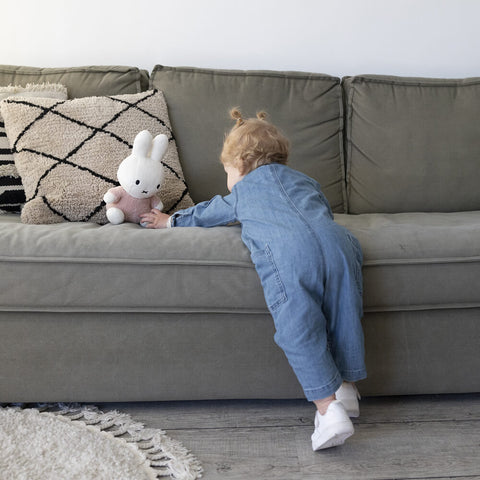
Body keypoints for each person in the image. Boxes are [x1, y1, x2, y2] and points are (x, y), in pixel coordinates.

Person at [140, 109, 367, 450]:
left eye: (228, 172)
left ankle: (328, 409)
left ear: (242, 166)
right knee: (344, 312)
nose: (228, 179)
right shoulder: (307, 181)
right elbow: (318, 210)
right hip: (339, 245)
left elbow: (211, 211)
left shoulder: (243, 192)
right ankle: (347, 388)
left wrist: (170, 221)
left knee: (299, 326)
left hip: (291, 253)